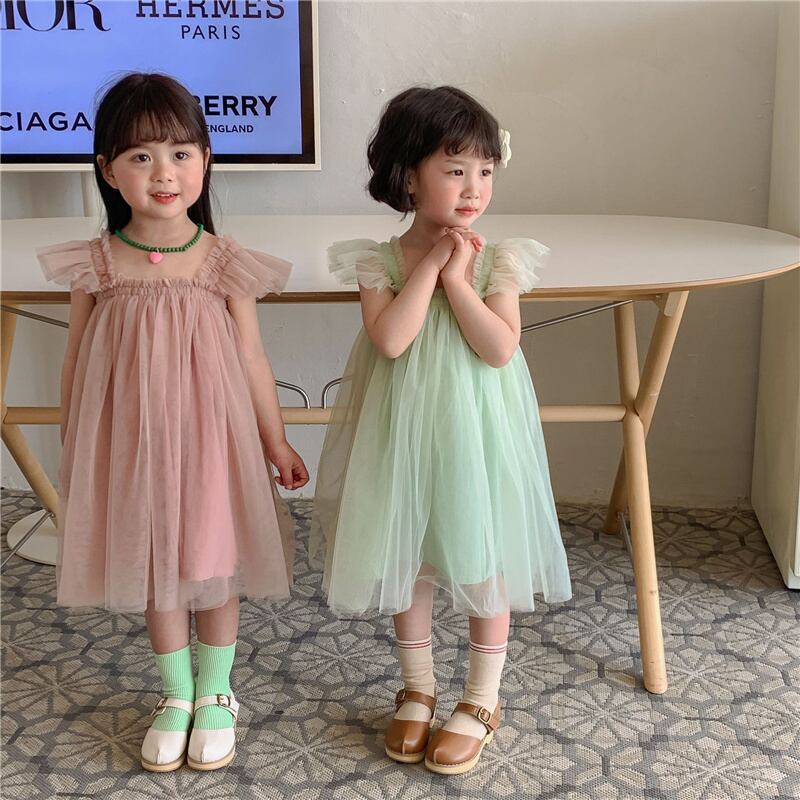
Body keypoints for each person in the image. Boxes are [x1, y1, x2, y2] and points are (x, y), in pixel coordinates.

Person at [36, 72, 309, 773]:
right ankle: (176, 693)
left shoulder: (224, 262)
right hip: (133, 445)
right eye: (142, 156)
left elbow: (252, 357)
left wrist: (275, 439)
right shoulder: (97, 263)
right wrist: (75, 441)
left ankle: (216, 691)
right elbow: (76, 358)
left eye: (181, 153)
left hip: (212, 443)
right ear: (108, 170)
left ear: (206, 160)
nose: (164, 172)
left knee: (213, 560)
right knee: (153, 559)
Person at [312, 86, 572, 775]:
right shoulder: (379, 260)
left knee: (482, 552)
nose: (474, 188)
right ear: (408, 176)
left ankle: (482, 699)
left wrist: (459, 279)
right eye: (455, 170)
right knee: (411, 557)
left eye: (485, 170)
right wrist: (430, 265)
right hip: (401, 436)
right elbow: (393, 340)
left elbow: (499, 348)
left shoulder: (498, 259)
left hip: (476, 436)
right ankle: (418, 686)